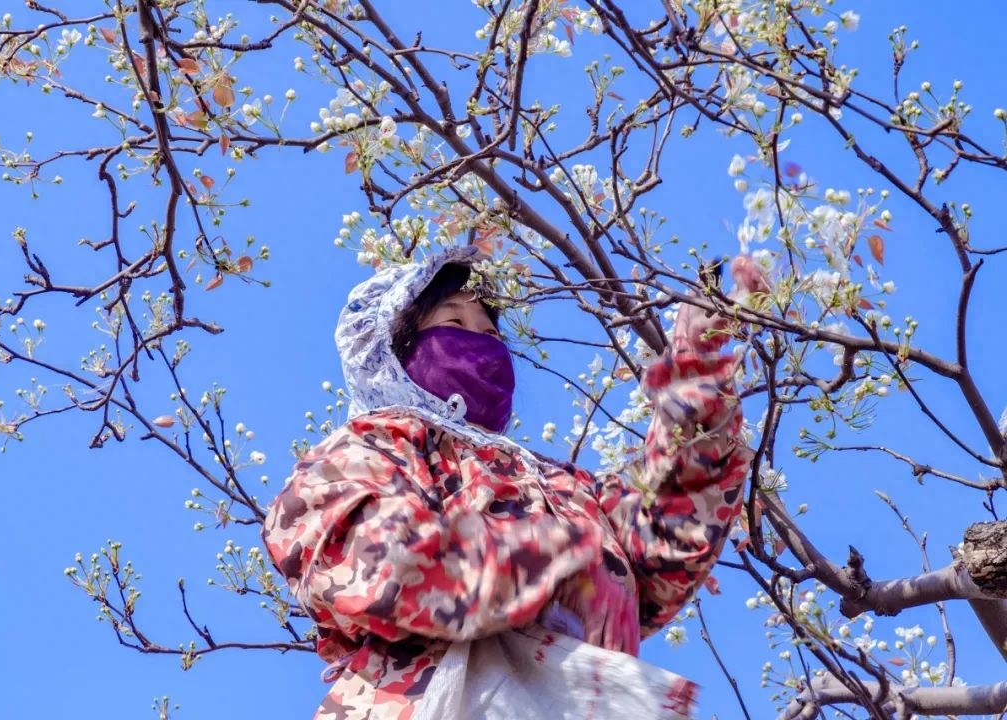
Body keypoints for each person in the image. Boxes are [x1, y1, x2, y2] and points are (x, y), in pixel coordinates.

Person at [262, 246, 763, 719]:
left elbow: (663, 543)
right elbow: (366, 553)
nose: (479, 341)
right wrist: (546, 558)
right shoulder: (375, 446)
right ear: (397, 353)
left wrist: (698, 365)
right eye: (455, 322)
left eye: (491, 331)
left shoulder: (559, 485)